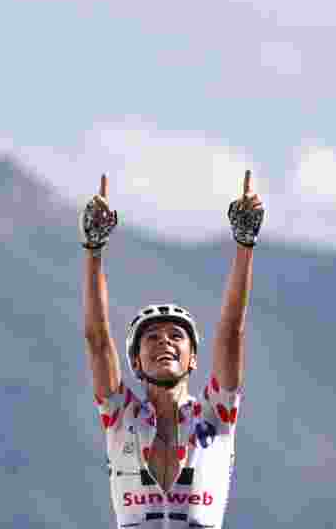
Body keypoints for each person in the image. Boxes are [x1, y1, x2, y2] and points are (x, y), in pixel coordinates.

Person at [81, 171, 264, 528]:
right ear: (134, 360)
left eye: (175, 337)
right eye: (152, 338)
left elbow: (230, 334)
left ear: (194, 358)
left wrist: (245, 244)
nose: (164, 341)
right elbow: (98, 340)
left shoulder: (216, 415)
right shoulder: (121, 418)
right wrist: (93, 248)